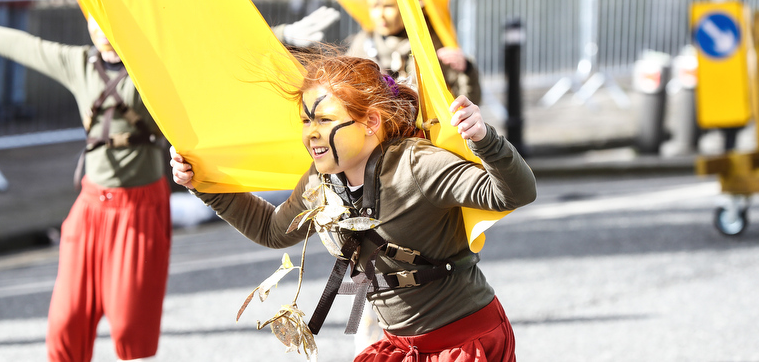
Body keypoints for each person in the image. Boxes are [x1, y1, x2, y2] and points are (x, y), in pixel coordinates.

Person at [170, 54, 536, 361]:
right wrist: (202, 183)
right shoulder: (322, 178)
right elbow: (273, 230)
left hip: (462, 344)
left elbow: (514, 193)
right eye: (305, 121)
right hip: (401, 346)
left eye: (325, 120)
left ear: (370, 122)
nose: (311, 133)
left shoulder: (417, 165)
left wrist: (486, 140)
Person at [0, 14, 171, 361]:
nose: (102, 31)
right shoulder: (78, 63)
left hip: (140, 212)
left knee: (133, 332)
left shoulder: (155, 66)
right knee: (65, 326)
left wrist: (286, 34)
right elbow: (21, 45)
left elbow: (212, 49)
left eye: (109, 19)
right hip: (90, 209)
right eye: (94, 20)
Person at [347, 0, 483, 105]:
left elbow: (468, 102)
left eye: (388, 5)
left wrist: (467, 70)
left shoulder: (430, 42)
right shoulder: (364, 43)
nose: (380, 14)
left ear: (407, 5)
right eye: (374, 6)